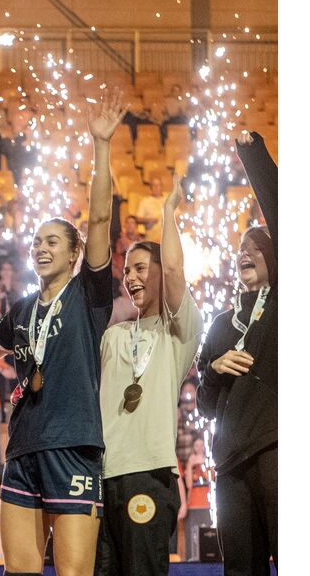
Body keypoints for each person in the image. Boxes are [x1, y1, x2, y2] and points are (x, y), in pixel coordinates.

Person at [0, 89, 123, 576]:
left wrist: (101, 145)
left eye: (52, 242)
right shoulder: (22, 310)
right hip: (23, 447)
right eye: (36, 242)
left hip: (73, 446)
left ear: (74, 252)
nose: (40, 248)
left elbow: (100, 218)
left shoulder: (89, 294)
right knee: (19, 571)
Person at [94, 173, 202, 575]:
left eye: (140, 268)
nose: (130, 278)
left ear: (159, 272)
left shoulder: (180, 330)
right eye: (126, 272)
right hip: (101, 476)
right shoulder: (113, 335)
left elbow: (174, 269)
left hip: (149, 474)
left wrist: (168, 210)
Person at [196, 130, 277, 575]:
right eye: (240, 248)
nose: (244, 251)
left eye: (257, 246)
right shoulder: (221, 324)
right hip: (229, 464)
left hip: (277, 449)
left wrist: (253, 155)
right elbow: (206, 406)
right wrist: (213, 369)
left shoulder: (283, 303)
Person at [134, 177, 166, 242]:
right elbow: (137, 218)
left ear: (161, 187)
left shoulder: (168, 200)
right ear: (150, 188)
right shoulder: (145, 201)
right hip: (152, 236)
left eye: (158, 185)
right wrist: (148, 220)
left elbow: (178, 215)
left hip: (167, 234)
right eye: (154, 185)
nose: (156, 187)